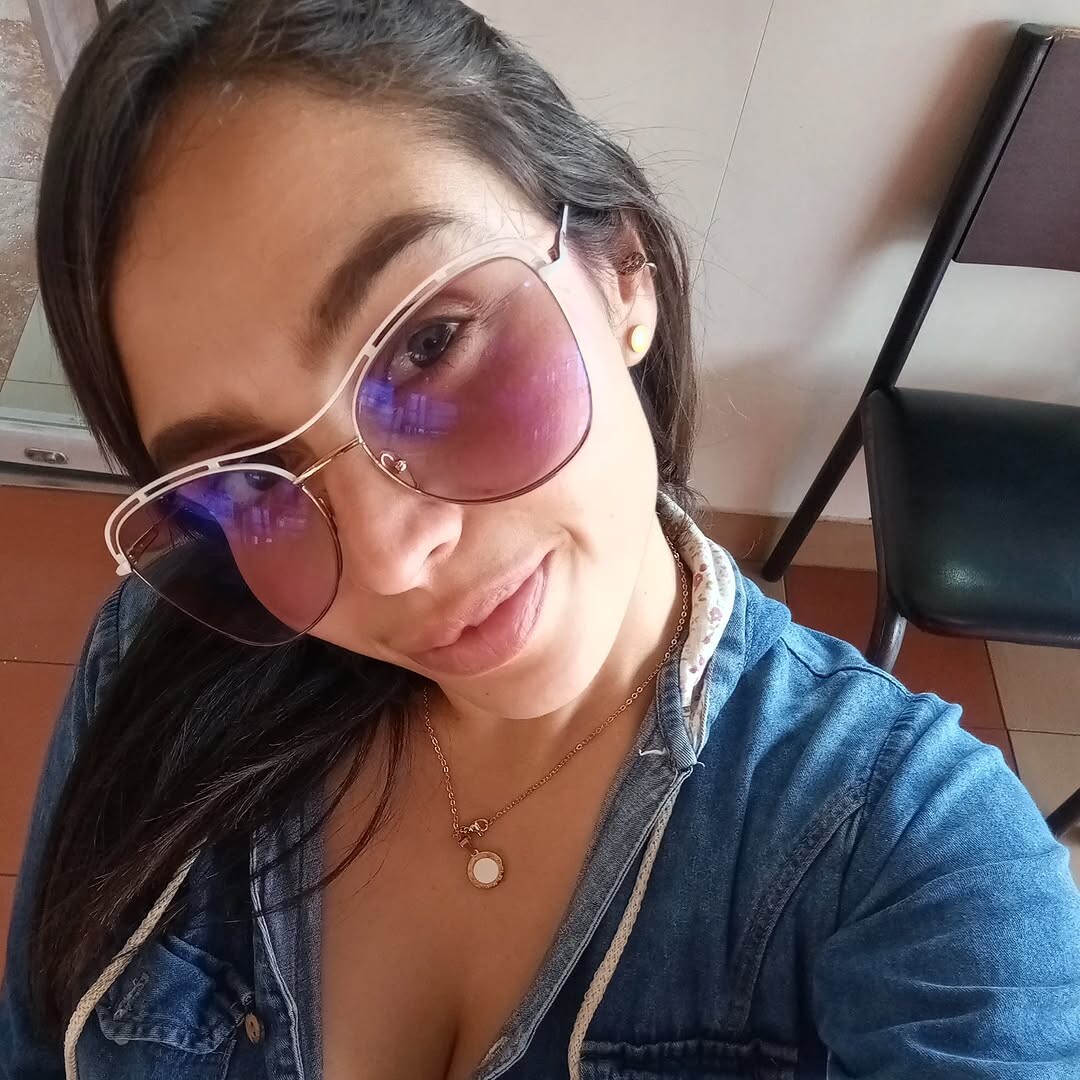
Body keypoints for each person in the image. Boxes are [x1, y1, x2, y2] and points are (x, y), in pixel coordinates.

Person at [3, 2, 1079, 1078]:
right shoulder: (154, 662)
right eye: (247, 479)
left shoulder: (914, 862)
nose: (388, 559)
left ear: (623, 273)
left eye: (430, 344)